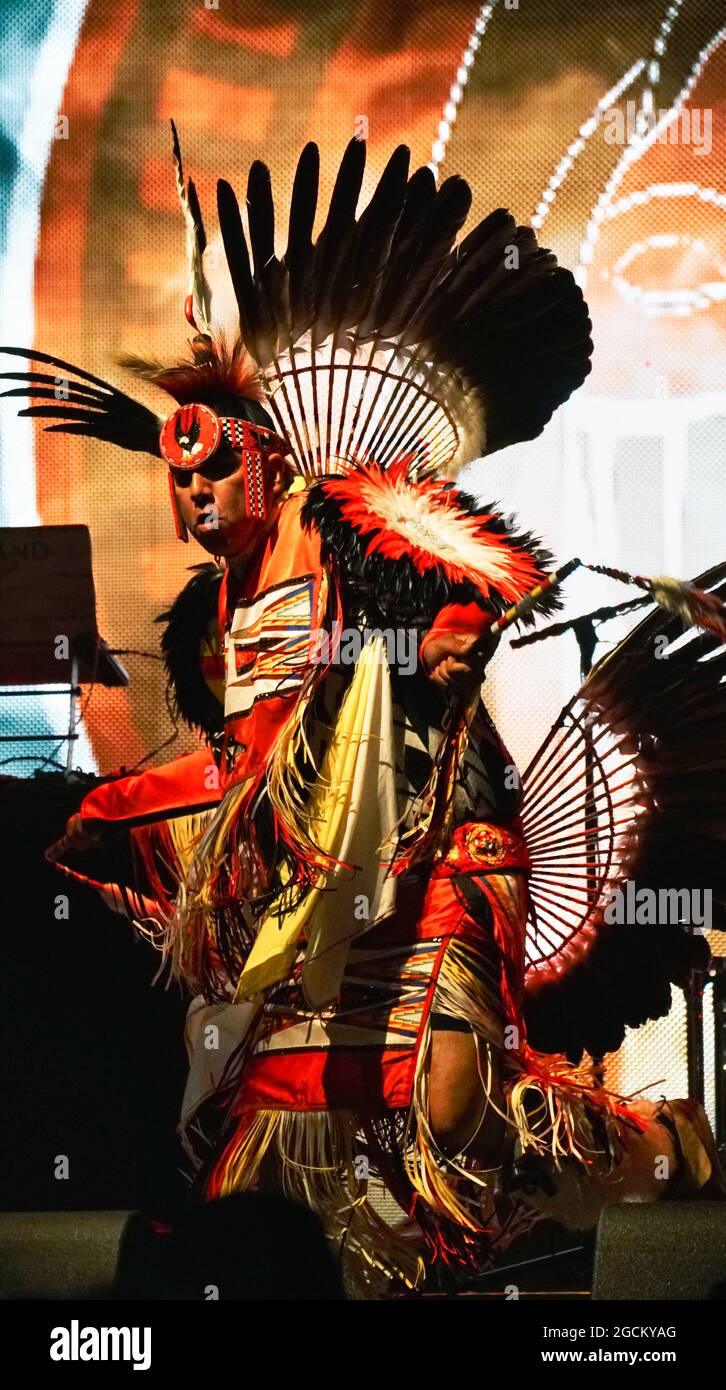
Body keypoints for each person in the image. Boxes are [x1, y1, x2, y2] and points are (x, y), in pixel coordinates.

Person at [5, 131, 724, 1297]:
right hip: (318, 888)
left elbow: (387, 670)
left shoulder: (367, 535)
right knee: (277, 1145)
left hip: (445, 851)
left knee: (452, 1107)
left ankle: (639, 1144)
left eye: (214, 473)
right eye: (179, 480)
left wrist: (430, 653)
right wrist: (113, 772)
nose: (193, 495)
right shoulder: (214, 622)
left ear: (272, 461)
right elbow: (248, 767)